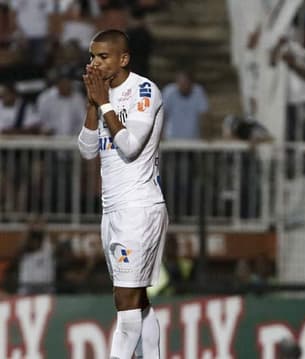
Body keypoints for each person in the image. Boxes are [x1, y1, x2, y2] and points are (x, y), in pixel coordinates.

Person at [77, 29, 168, 359]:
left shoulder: (144, 90)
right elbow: (87, 150)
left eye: (103, 57)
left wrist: (104, 104)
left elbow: (130, 147)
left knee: (125, 304)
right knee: (138, 301)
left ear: (123, 59)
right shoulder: (101, 96)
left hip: (139, 208)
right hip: (112, 210)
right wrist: (93, 105)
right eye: (92, 57)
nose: (95, 63)